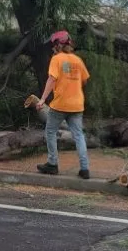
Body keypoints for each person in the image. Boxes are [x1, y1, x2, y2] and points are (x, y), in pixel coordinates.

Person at [36, 30, 90, 179]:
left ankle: (52, 164)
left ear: (58, 45)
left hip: (60, 104)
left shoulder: (57, 59)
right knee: (79, 135)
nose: (52, 48)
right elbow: (84, 80)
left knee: (50, 132)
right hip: (77, 104)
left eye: (53, 45)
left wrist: (42, 100)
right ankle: (85, 169)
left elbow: (52, 79)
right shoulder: (77, 60)